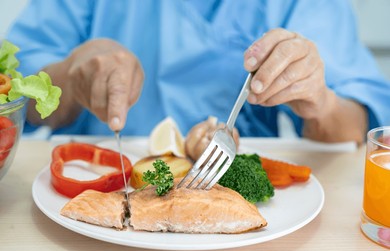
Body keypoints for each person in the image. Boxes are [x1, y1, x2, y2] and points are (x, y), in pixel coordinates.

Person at [6, 0, 390, 144]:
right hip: (92, 191)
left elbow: (358, 124)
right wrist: (71, 75)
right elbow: (16, 95)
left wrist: (319, 101)